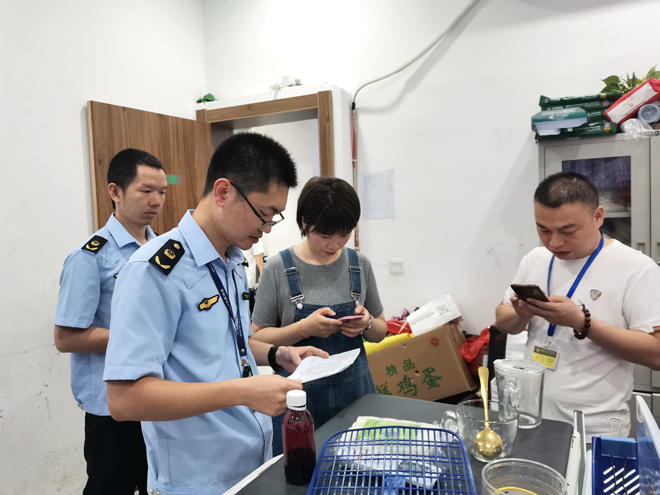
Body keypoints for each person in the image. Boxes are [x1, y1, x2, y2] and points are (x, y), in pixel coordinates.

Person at [103, 133, 328, 495]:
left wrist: (277, 354)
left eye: (274, 217)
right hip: (197, 481)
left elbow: (227, 342)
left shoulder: (233, 260)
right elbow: (124, 399)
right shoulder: (154, 271)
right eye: (264, 214)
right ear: (223, 192)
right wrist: (243, 392)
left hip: (251, 462)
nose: (266, 229)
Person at [495, 172, 660, 438]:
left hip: (593, 428)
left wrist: (582, 322)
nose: (554, 242)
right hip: (530, 417)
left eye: (568, 230)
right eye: (544, 230)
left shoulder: (636, 268)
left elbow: (656, 354)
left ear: (598, 216)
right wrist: (521, 314)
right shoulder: (535, 259)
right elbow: (503, 322)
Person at [54, 148, 167, 495]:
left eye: (162, 192)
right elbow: (66, 338)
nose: (156, 201)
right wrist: (134, 334)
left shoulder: (164, 250)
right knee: (110, 486)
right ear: (115, 191)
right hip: (110, 407)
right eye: (145, 190)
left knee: (157, 484)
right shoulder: (89, 257)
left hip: (157, 393)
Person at [251, 176, 388, 455]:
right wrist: (303, 328)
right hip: (297, 399)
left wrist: (367, 324)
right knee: (299, 469)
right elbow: (257, 338)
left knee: (358, 468)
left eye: (344, 234)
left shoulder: (359, 265)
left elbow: (381, 331)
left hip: (355, 395)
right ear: (304, 223)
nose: (334, 244)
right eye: (325, 236)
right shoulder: (278, 268)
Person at [242, 237, 264, 313]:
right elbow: (257, 255)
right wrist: (262, 274)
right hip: (248, 282)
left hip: (239, 281)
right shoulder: (255, 235)